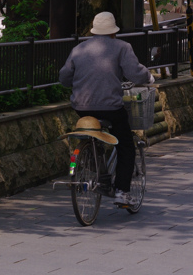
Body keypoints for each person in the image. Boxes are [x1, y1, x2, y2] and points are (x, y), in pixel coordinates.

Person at [59, 11, 153, 208]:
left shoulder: (79, 49)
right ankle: (122, 192)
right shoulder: (122, 47)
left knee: (94, 136)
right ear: (113, 32)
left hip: (82, 108)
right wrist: (148, 77)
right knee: (125, 145)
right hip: (110, 107)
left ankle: (98, 171)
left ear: (94, 31)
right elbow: (135, 73)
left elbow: (64, 78)